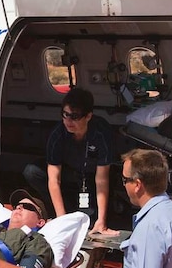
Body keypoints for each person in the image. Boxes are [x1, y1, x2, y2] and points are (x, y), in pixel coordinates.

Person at [24, 86, 116, 234]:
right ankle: (58, 210)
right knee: (32, 171)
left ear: (88, 116)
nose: (68, 121)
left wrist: (102, 220)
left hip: (92, 177)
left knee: (89, 222)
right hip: (69, 173)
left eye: (74, 116)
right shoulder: (57, 135)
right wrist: (62, 220)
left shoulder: (101, 133)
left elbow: (102, 179)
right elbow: (54, 179)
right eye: (64, 115)